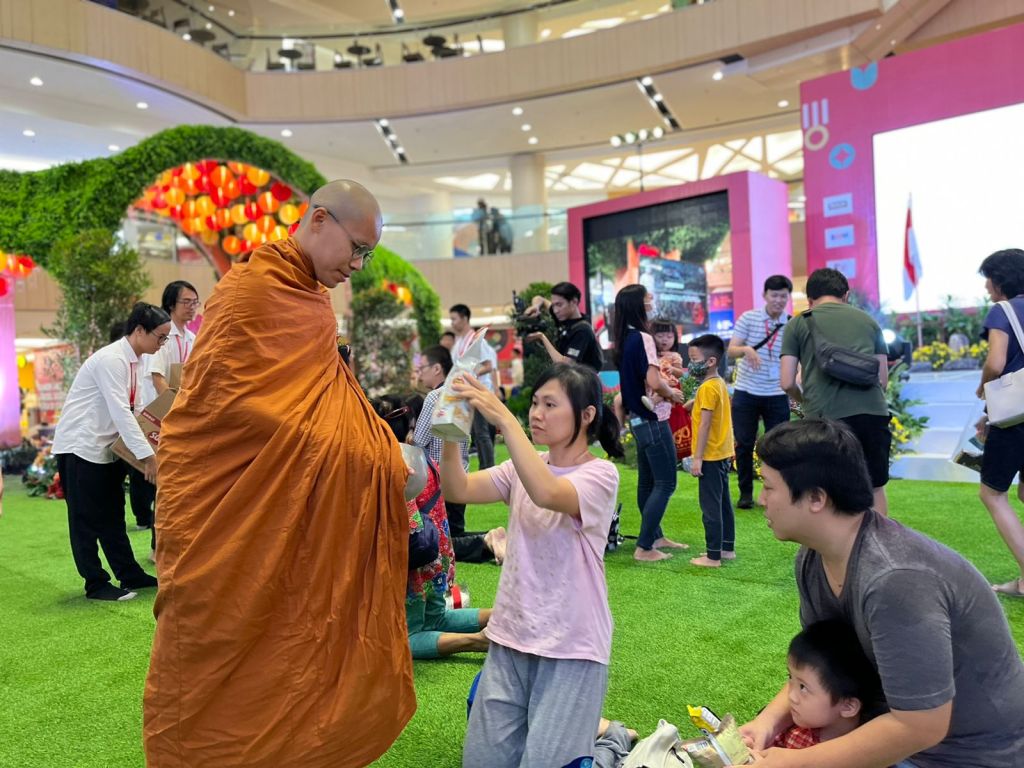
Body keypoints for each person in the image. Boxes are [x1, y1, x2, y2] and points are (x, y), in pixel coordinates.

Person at [144, 180, 416, 768]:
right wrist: (370, 456)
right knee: (217, 653)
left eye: (368, 255)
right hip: (224, 514)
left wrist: (374, 448)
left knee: (293, 648)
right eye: (358, 248)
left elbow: (322, 400)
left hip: (285, 510)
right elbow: (227, 409)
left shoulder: (313, 302)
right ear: (319, 220)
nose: (359, 266)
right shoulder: (248, 293)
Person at [742, 419, 1024, 767]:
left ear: (816, 497)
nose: (761, 500)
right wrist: (766, 723)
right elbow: (821, 669)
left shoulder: (896, 580)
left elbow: (921, 728)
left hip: (965, 754)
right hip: (888, 722)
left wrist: (794, 763)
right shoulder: (814, 558)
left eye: (769, 488)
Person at [442, 363, 624, 767]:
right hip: (511, 634)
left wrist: (504, 419)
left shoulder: (600, 474)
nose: (536, 413)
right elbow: (457, 488)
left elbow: (546, 492)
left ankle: (610, 744)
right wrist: (451, 432)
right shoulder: (522, 467)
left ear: (587, 415)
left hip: (571, 644)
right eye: (535, 403)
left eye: (550, 404)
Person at [51, 302, 170, 601]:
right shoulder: (111, 360)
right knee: (84, 518)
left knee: (113, 513)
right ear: (140, 330)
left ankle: (129, 573)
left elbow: (140, 409)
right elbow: (121, 412)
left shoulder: (137, 360)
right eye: (160, 337)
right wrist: (147, 457)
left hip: (108, 447)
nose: (162, 343)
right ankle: (95, 583)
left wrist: (158, 442)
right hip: (80, 446)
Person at [372, 397, 492, 659]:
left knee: (408, 636)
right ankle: (501, 616)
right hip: (437, 560)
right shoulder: (424, 459)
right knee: (438, 619)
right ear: (411, 432)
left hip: (413, 569)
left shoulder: (390, 468)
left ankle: (476, 641)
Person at [780, 268, 891, 516]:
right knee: (874, 488)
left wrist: (804, 401)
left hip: (824, 418)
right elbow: (882, 380)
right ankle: (877, 550)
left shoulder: (798, 323)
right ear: (847, 295)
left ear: (809, 299)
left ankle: (829, 553)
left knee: (825, 489)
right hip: (872, 413)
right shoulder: (869, 322)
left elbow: (787, 382)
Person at [612, 284, 687, 562]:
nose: (651, 301)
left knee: (648, 482)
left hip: (639, 420)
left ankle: (654, 536)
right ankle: (644, 546)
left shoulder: (625, 339)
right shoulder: (642, 337)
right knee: (666, 482)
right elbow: (654, 381)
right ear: (637, 304)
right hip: (653, 419)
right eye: (647, 298)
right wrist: (672, 393)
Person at [413, 345, 507, 563]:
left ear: (437, 368)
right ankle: (489, 537)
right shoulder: (462, 395)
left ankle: (484, 540)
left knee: (438, 541)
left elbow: (420, 440)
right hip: (460, 476)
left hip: (436, 482)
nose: (420, 373)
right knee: (453, 531)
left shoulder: (434, 397)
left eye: (423, 367)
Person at [975, 248, 1024, 596]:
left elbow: (996, 363)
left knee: (992, 494)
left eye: (988, 279)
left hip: (1016, 418)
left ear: (1000, 278)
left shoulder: (1002, 311)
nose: (987, 287)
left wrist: (983, 388)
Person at [728, 274, 793, 509]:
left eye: (783, 296)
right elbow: (731, 350)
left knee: (779, 444)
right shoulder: (749, 318)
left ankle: (777, 492)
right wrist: (746, 349)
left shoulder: (791, 323)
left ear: (788, 297)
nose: (778, 300)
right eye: (774, 295)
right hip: (747, 391)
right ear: (765, 295)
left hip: (776, 393)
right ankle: (745, 492)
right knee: (744, 444)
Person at [769, 619, 883, 750]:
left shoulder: (861, 755)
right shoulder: (796, 725)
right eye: (790, 677)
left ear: (848, 706)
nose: (791, 696)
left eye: (803, 687)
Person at [686, 334, 735, 568]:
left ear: (711, 361)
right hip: (723, 452)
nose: (690, 364)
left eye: (694, 358)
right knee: (723, 502)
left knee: (710, 506)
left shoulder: (707, 388)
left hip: (710, 455)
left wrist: (698, 458)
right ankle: (727, 548)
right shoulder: (718, 384)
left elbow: (705, 424)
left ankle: (712, 556)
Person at [450, 303, 498, 470]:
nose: (452, 323)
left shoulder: (475, 339)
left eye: (454, 319)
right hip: (466, 391)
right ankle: (485, 467)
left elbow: (489, 365)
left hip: (478, 391)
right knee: (476, 433)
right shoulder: (460, 342)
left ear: (464, 318)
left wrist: (471, 373)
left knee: (482, 433)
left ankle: (489, 468)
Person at [525, 281, 604, 372]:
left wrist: (541, 337)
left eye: (559, 305)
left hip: (583, 383)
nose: (555, 310)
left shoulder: (582, 331)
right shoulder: (563, 317)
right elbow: (540, 299)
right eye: (553, 305)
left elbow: (565, 365)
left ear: (574, 302)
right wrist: (536, 306)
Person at [149, 280, 198, 396]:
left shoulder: (192, 338)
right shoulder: (159, 335)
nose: (192, 307)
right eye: (186, 302)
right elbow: (157, 378)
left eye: (195, 302)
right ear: (171, 304)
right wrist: (173, 407)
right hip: (158, 407)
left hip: (179, 404)